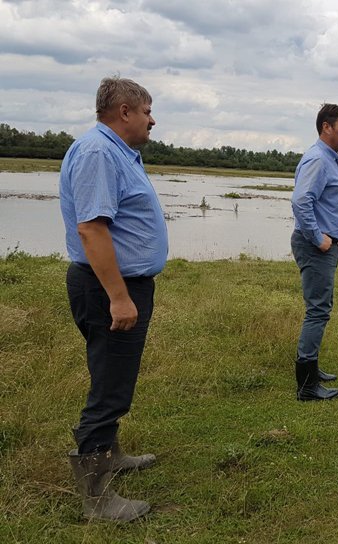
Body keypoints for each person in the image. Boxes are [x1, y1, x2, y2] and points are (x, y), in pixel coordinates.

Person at [60, 76, 168, 521]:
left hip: (115, 285)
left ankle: (111, 454)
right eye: (147, 111)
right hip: (108, 288)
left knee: (111, 375)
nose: (152, 119)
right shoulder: (100, 152)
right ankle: (97, 499)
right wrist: (119, 298)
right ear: (124, 111)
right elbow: (92, 228)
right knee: (110, 387)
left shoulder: (118, 152)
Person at [290, 103, 338, 401]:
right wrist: (319, 239)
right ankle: (307, 386)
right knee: (317, 311)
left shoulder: (327, 159)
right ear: (326, 127)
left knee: (320, 308)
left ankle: (312, 369)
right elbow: (301, 202)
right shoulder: (318, 159)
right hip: (316, 246)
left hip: (323, 246)